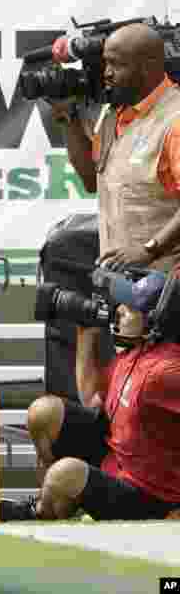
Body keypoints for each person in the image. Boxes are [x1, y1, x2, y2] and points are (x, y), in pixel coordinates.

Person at [57, 23, 180, 390]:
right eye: (105, 62)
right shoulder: (113, 114)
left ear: (147, 66)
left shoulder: (174, 120)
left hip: (169, 297)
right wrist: (69, 119)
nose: (105, 72)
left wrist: (148, 249)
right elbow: (90, 179)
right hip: (127, 295)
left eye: (115, 64)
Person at [1, 294, 180, 521]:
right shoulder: (134, 354)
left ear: (155, 318)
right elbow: (90, 400)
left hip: (150, 495)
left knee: (65, 474)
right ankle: (49, 502)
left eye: (131, 309)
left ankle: (40, 513)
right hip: (117, 460)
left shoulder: (167, 370)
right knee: (44, 412)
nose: (121, 310)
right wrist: (85, 335)